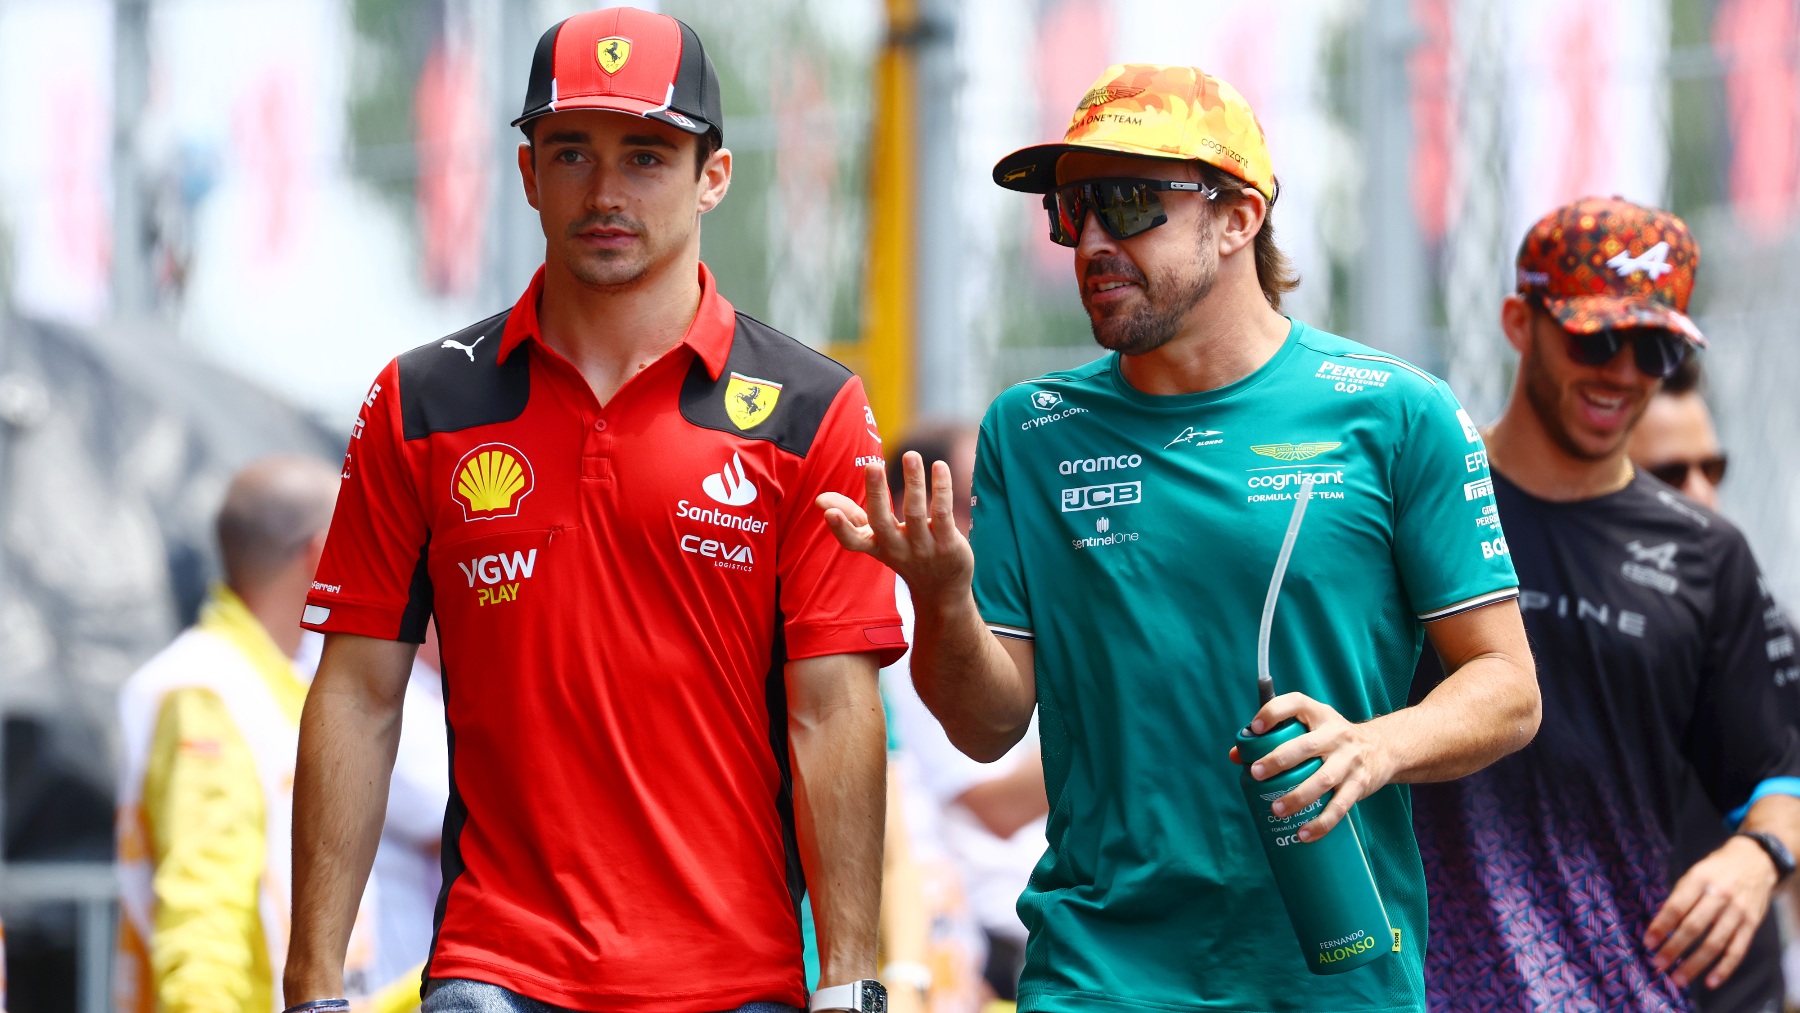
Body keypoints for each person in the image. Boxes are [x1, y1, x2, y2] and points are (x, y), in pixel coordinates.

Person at [820, 63, 1539, 1013]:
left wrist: (1375, 746)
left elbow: (1508, 689)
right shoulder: (1030, 430)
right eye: (1070, 211)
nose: (1091, 241)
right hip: (1096, 971)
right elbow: (987, 725)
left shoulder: (1395, 412)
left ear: (1238, 216)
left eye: (1127, 202)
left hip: (1331, 973)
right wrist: (945, 598)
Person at [283, 8, 904, 1013]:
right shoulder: (421, 403)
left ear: (715, 175)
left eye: (648, 155)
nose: (606, 192)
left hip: (736, 978)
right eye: (571, 151)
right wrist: (312, 987)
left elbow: (832, 708)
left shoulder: (810, 408)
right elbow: (357, 691)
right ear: (528, 174)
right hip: (496, 969)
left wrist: (849, 983)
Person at [1413, 197, 1800, 1013]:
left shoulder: (1705, 553)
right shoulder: (1416, 499)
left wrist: (1758, 855)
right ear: (1520, 322)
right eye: (1597, 337)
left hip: (1619, 989)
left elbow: (1777, 767)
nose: (1624, 371)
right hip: (1416, 987)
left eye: (1655, 345)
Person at [114, 455, 384, 1013]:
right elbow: (201, 918)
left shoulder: (277, 681)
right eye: (361, 537)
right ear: (321, 552)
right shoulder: (208, 692)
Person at [1631, 358, 1792, 1013]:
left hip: (1740, 992)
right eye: (1671, 474)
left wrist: (1760, 854)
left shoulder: (1759, 614)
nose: (1700, 493)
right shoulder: (1524, 618)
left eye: (1712, 469)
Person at [882, 426, 1047, 1002]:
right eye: (978, 505)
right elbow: (992, 806)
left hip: (992, 926)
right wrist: (1125, 728)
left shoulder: (984, 604)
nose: (999, 526)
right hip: (980, 934)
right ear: (908, 508)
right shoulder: (911, 619)